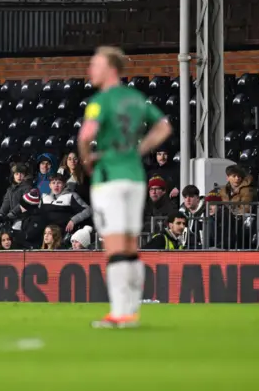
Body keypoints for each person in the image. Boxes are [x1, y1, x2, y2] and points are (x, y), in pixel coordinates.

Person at [78, 46, 172, 328]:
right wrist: (140, 148)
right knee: (131, 245)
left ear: (111, 68)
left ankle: (120, 313)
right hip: (135, 176)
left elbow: (87, 134)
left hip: (109, 178)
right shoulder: (136, 98)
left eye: (95, 64)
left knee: (115, 246)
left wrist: (86, 160)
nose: (90, 70)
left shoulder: (100, 101)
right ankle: (131, 310)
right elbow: (165, 126)